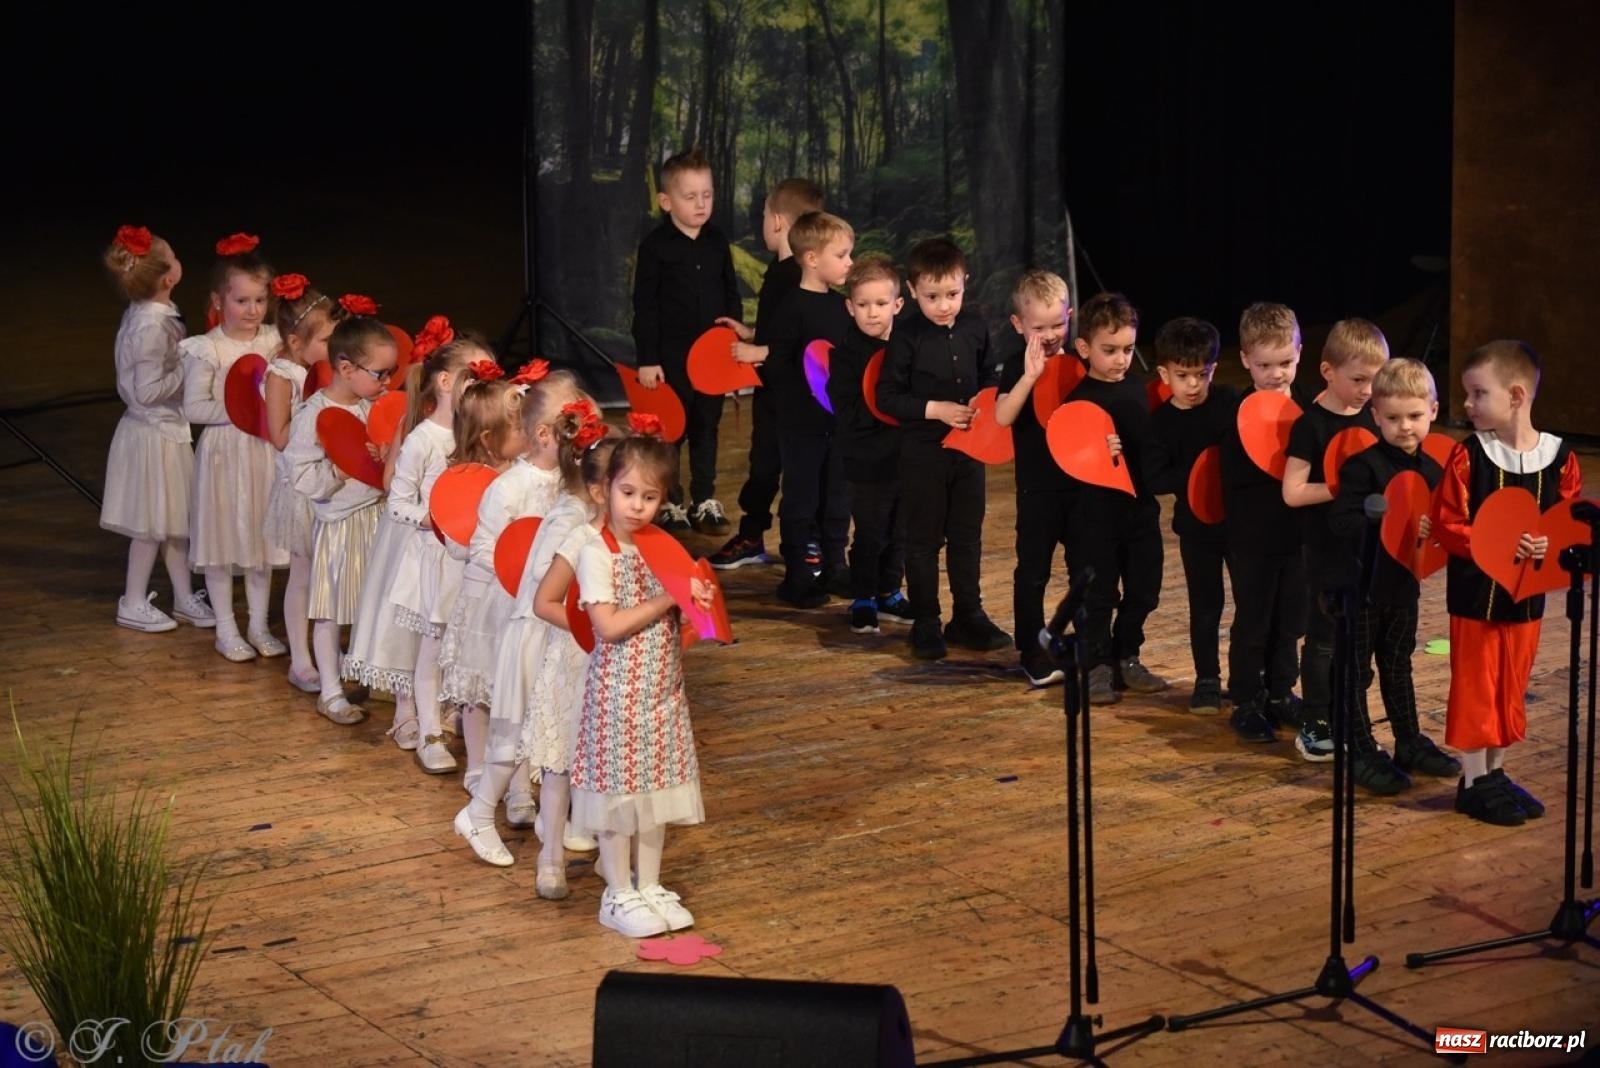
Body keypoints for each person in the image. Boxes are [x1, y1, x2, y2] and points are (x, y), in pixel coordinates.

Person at [570, 421, 714, 938]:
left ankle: (648, 884)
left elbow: (690, 616)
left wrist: (698, 603)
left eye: (650, 496)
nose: (637, 506)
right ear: (603, 489)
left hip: (662, 689)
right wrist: (667, 599)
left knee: (657, 794)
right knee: (618, 797)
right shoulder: (596, 551)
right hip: (619, 693)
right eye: (627, 492)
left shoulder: (662, 547)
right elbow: (607, 627)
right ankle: (618, 891)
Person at [1432, 340, 1582, 825]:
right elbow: (1448, 523)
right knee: (1478, 685)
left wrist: (1547, 546)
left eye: (1478, 394)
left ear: (1516, 396)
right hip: (1477, 596)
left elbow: (1567, 525)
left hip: (1527, 596)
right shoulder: (1469, 456)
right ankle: (1473, 780)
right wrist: (1497, 541)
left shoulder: (1560, 458)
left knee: (1511, 686)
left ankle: (1495, 773)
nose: (1468, 405)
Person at [440, 368, 580, 795]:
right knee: (486, 687)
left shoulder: (572, 483)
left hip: (544, 602)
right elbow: (484, 546)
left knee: (530, 689)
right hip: (502, 601)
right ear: (543, 433)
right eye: (571, 428)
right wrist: (517, 572)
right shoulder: (510, 485)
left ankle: (524, 778)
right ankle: (481, 766)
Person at [1330, 358, 1461, 794]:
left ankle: (1408, 740)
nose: (1405, 427)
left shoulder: (1431, 471)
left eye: (1414, 416)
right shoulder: (1362, 467)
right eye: (1393, 418)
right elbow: (1342, 523)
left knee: (1397, 662)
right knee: (1355, 669)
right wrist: (1382, 520)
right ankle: (1361, 748)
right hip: (1360, 587)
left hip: (1403, 586)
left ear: (1434, 411)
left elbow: (1442, 527)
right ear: (1376, 417)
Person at [875, 238, 1010, 659]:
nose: (944, 305)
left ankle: (968, 615)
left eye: (952, 294)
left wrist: (986, 398)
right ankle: (927, 620)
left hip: (969, 452)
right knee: (924, 539)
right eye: (932, 297)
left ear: (965, 284)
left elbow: (990, 373)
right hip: (923, 453)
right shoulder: (907, 336)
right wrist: (937, 410)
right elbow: (887, 397)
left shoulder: (974, 326)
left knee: (967, 536)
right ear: (913, 291)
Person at [373, 326, 488, 772]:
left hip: (471, 560)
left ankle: (453, 712)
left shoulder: (477, 434)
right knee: (432, 648)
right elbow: (398, 502)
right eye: (473, 377)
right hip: (435, 558)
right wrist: (433, 520)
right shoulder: (423, 439)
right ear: (445, 382)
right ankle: (429, 733)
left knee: (462, 644)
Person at [98, 225, 213, 634]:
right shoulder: (151, 325)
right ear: (168, 276)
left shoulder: (156, 314)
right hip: (152, 436)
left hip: (168, 430)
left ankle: (183, 597)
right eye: (175, 256)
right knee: (151, 526)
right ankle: (132, 600)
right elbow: (145, 392)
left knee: (174, 522)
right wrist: (189, 369)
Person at [1282, 318, 1387, 761]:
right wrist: (1342, 488)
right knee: (1324, 639)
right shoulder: (1311, 425)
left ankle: (1353, 717)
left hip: (1365, 551)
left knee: (1360, 643)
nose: (1367, 390)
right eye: (1358, 379)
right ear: (1328, 371)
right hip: (1325, 549)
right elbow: (1292, 492)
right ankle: (1315, 721)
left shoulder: (1376, 418)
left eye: (1375, 381)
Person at [284, 309, 395, 724]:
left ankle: (378, 676)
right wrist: (340, 468)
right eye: (379, 373)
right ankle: (329, 689)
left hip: (378, 519)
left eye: (390, 373)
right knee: (332, 607)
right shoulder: (314, 415)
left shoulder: (376, 408)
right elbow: (300, 473)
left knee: (377, 603)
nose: (386, 383)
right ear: (346, 367)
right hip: (340, 523)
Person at [710, 176, 825, 570]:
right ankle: (752, 534)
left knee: (801, 473)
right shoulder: (777, 275)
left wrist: (759, 350)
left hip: (798, 401)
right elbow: (782, 331)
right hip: (770, 395)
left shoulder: (803, 278)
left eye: (762, 215)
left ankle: (811, 541)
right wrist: (752, 334)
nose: (763, 222)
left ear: (777, 221)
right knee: (762, 468)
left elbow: (806, 343)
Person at [180, 234, 284, 662]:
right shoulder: (208, 348)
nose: (252, 310)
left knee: (261, 541)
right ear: (219, 300)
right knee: (223, 539)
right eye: (242, 301)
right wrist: (240, 411)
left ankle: (258, 624)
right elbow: (194, 406)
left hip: (263, 453)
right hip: (225, 453)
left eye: (259, 300)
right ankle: (226, 627)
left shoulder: (274, 341)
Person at [1060, 293, 1167, 703]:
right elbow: (1069, 459)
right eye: (1110, 350)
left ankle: (1128, 655)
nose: (1121, 359)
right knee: (1100, 593)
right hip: (1095, 516)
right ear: (1085, 348)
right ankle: (1098, 664)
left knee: (1145, 589)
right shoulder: (1078, 400)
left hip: (1139, 510)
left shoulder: (1139, 389)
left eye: (1128, 349)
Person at [631, 147, 743, 534]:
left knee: (706, 427)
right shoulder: (656, 247)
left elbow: (731, 295)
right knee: (671, 431)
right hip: (670, 359)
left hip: (711, 360)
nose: (701, 203)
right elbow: (644, 307)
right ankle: (671, 501)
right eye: (690, 196)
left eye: (707, 194)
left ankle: (705, 498)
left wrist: (732, 349)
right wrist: (648, 358)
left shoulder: (717, 241)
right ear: (666, 201)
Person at [1221, 302, 1316, 743]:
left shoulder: (1309, 410)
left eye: (1286, 362)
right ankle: (1245, 698)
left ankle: (1280, 692)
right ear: (1244, 360)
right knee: (1254, 621)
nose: (1277, 374)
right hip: (1252, 538)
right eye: (1265, 365)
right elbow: (1229, 479)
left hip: (1296, 537)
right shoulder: (1236, 414)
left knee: (1290, 620)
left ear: (1300, 352)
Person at [760, 210, 856, 607]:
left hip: (839, 423)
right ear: (813, 258)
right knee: (801, 496)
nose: (850, 262)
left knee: (837, 495)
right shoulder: (791, 308)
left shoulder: (842, 308)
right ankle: (798, 573)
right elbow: (777, 364)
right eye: (843, 254)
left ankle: (835, 565)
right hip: (801, 424)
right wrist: (801, 401)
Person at [1144, 316, 1238, 712]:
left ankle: (1251, 679)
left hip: (1239, 523)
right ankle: (1207, 680)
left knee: (1250, 603)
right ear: (1165, 374)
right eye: (1184, 376)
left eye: (1203, 374)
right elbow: (1155, 478)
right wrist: (1198, 471)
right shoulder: (1162, 422)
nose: (1195, 385)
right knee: (1205, 604)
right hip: (1197, 527)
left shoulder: (1230, 402)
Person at [994, 270, 1075, 686]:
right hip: (1038, 488)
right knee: (1033, 571)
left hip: (1080, 489)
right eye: (1038, 326)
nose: (1049, 334)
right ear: (1018, 325)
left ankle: (1081, 642)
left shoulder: (1079, 364)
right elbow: (1002, 415)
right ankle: (1031, 647)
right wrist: (1030, 376)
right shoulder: (1014, 367)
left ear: (1070, 317)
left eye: (1057, 324)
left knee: (1087, 569)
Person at [829, 253, 912, 634]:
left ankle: (890, 591)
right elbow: (846, 408)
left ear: (897, 304)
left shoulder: (908, 346)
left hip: (905, 458)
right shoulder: (845, 355)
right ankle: (863, 596)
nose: (872, 313)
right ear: (849, 307)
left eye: (881, 304)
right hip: (866, 460)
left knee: (901, 529)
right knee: (871, 531)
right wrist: (883, 411)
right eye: (863, 305)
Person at [262, 274, 337, 691]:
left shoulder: (329, 372)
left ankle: (329, 648)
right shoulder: (283, 375)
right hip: (302, 485)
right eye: (325, 340)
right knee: (304, 573)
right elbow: (279, 434)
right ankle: (301, 659)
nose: (333, 348)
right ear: (296, 343)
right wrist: (318, 417)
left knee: (332, 572)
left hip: (332, 483)